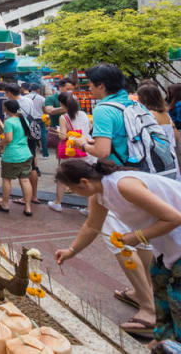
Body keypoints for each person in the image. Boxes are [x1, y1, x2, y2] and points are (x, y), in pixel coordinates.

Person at [70, 64, 160, 336]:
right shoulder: (135, 104)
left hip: (120, 181)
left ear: (101, 86)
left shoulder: (104, 109)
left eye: (90, 84)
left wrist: (81, 145)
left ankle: (148, 309)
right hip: (147, 178)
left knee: (118, 241)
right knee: (142, 238)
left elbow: (102, 150)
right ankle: (145, 293)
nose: (88, 89)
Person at [54, 159, 181, 341]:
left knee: (176, 298)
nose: (70, 192)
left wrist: (136, 236)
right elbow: (92, 226)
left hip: (176, 241)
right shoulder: (100, 195)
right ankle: (162, 342)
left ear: (84, 182)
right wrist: (71, 251)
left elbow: (174, 218)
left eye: (72, 188)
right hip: (166, 247)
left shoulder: (123, 185)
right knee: (160, 289)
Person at [48, 92, 94, 212]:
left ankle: (58, 203)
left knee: (62, 177)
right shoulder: (84, 114)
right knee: (89, 178)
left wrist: (59, 130)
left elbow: (63, 137)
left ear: (62, 104)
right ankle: (89, 208)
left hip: (72, 151)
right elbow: (89, 128)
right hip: (87, 149)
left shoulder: (64, 117)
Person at [3, 83, 41, 207]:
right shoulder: (29, 100)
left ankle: (22, 199)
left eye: (6, 93)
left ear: (9, 92)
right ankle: (33, 197)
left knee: (11, 176)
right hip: (29, 134)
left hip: (17, 138)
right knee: (32, 167)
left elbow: (8, 133)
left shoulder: (10, 107)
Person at [0, 100, 35, 215]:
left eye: (4, 107)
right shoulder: (24, 120)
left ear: (7, 109)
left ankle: (5, 204)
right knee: (25, 180)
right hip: (26, 154)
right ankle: (28, 207)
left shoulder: (9, 122)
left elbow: (8, 139)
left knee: (7, 179)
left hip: (12, 156)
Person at [138, 83, 181, 179]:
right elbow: (176, 137)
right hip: (172, 158)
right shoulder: (166, 115)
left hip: (159, 161)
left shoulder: (148, 116)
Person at [25, 83, 48, 158]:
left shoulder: (25, 97)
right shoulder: (41, 98)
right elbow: (45, 110)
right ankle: (45, 154)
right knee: (43, 136)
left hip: (28, 119)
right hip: (39, 119)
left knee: (30, 136)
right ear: (38, 89)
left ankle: (31, 153)